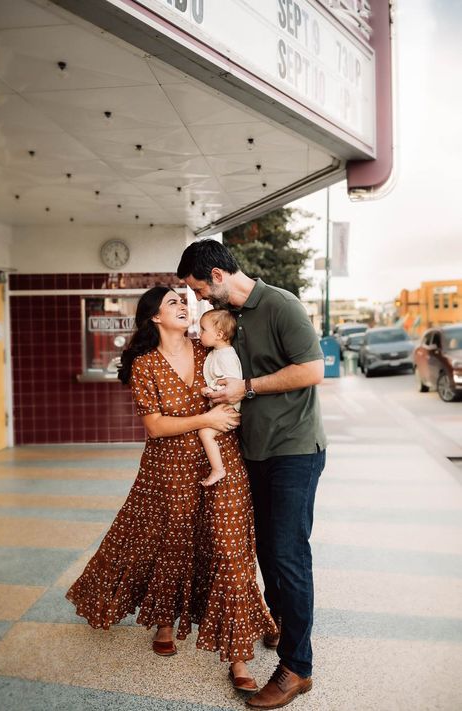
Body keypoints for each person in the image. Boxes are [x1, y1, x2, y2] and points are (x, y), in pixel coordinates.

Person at [66, 286, 277, 690]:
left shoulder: (211, 349)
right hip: (168, 467)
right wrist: (205, 421)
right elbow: (155, 426)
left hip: (224, 463)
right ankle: (165, 620)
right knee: (172, 541)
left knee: (231, 552)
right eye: (172, 303)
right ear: (154, 318)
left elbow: (237, 390)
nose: (183, 305)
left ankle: (239, 658)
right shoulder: (145, 364)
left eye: (184, 300)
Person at [177, 240, 327, 710]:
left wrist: (249, 387)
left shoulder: (280, 305)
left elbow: (313, 370)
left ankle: (296, 668)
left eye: (199, 289)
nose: (200, 299)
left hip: (294, 450)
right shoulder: (230, 320)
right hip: (255, 452)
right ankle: (281, 618)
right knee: (266, 548)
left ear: (218, 277)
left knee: (286, 554)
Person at [198, 309, 243, 486]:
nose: (199, 334)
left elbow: (232, 383)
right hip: (223, 405)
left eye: (203, 330)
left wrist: (212, 390)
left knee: (205, 433)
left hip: (229, 408)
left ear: (219, 334)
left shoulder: (226, 356)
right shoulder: (216, 352)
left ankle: (218, 470)